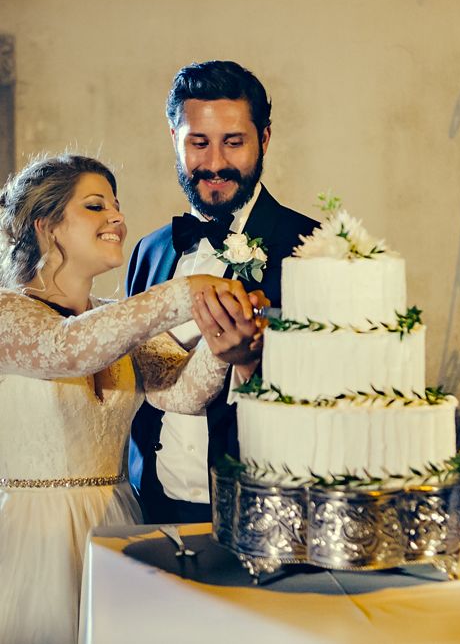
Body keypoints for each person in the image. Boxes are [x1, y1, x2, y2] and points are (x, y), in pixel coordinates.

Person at [0, 154, 263, 644]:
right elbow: (66, 348)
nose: (117, 218)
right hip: (35, 537)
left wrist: (223, 346)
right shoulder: (7, 313)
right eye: (96, 206)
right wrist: (184, 293)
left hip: (119, 519)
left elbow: (180, 392)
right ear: (46, 225)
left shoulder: (112, 319)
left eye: (117, 206)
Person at [126, 60, 318, 524]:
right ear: (173, 136)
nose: (214, 163)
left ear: (264, 139)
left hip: (264, 509)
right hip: (152, 508)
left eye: (233, 142)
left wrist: (256, 359)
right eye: (198, 142)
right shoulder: (148, 252)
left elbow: (335, 391)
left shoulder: (313, 248)